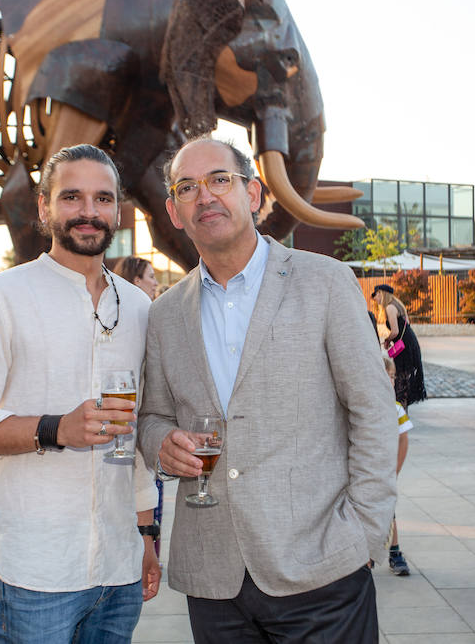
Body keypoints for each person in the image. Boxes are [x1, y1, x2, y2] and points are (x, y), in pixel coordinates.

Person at [137, 137, 397, 643]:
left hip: (321, 570)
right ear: (173, 211)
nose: (205, 196)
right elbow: (151, 418)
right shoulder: (165, 314)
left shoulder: (325, 282)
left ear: (253, 194)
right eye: (187, 188)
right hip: (214, 579)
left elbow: (372, 410)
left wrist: (364, 532)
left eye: (220, 180)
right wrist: (161, 445)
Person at [0, 144, 161, 643]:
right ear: (43, 206)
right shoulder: (3, 297)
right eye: (72, 197)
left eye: (103, 199)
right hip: (35, 568)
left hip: (119, 565)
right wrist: (53, 429)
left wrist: (147, 534)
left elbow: (136, 433)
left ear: (118, 210)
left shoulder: (140, 308)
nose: (89, 212)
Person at [114, 255, 164, 554]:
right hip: (133, 454)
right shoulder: (133, 323)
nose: (156, 283)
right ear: (135, 282)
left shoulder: (149, 318)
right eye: (151, 276)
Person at [373, 284, 427, 409]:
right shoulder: (398, 305)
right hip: (409, 344)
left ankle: (401, 416)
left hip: (405, 348)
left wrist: (386, 340)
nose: (375, 299)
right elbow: (406, 324)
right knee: (404, 381)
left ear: (381, 293)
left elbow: (395, 331)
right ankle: (403, 413)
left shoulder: (390, 307)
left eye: (375, 295)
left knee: (401, 382)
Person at [383, 356, 413, 577]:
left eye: (392, 377)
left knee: (389, 511)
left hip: (386, 470)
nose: (391, 381)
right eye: (387, 376)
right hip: (367, 469)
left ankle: (395, 552)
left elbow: (403, 440)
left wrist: (396, 468)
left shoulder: (396, 409)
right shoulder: (364, 406)